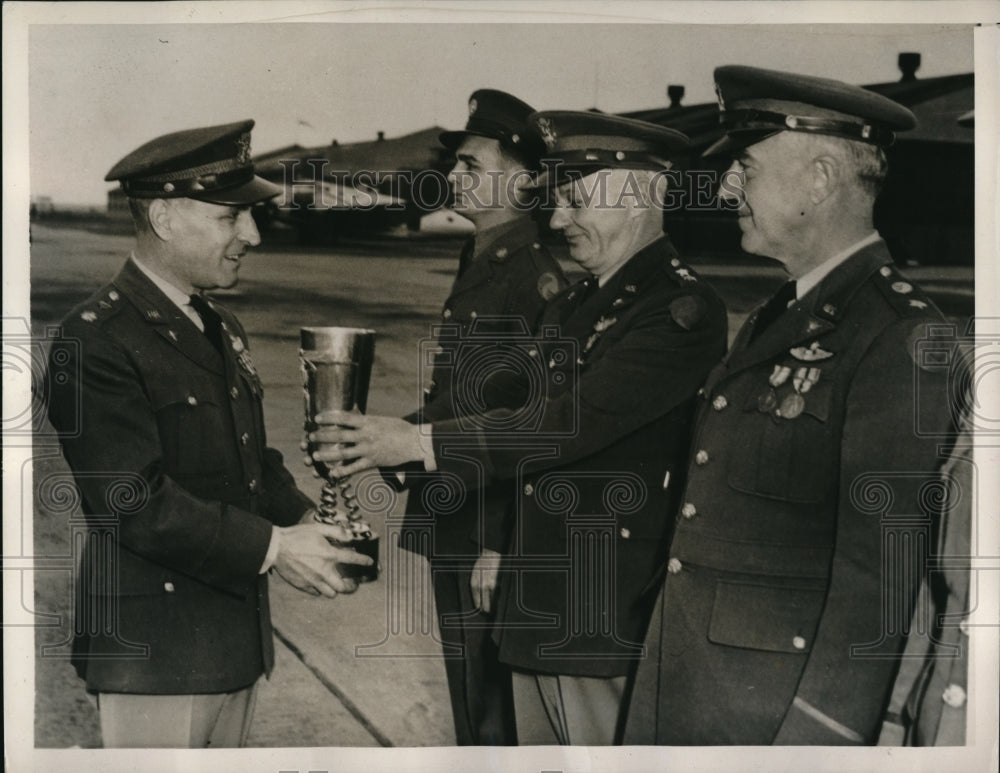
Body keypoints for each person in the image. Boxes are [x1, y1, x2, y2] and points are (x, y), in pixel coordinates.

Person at [310, 111, 728, 745]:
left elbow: (563, 423)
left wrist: (416, 443)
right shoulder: (576, 303)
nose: (558, 221)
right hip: (535, 594)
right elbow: (499, 402)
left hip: (595, 602)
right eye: (558, 201)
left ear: (641, 197)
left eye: (576, 201)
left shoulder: (678, 311)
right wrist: (377, 440)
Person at [623, 65, 956, 745]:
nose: (724, 187)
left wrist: (822, 733)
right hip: (692, 677)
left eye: (745, 166)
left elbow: (880, 572)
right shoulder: (784, 312)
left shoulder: (899, 335)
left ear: (822, 178)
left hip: (772, 714)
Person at [46, 120, 371, 748]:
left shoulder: (218, 324)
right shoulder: (95, 338)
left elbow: (251, 460)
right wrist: (277, 549)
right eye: (231, 218)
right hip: (156, 653)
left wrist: (312, 521)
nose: (251, 235)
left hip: (230, 641)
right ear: (166, 217)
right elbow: (131, 503)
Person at [395, 88, 567, 745]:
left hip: (484, 531)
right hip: (460, 514)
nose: (454, 177)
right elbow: (466, 395)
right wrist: (388, 444)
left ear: (522, 179)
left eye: (472, 165)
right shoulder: (487, 257)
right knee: (474, 703)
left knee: (491, 711)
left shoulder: (530, 277)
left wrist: (502, 540)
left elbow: (528, 419)